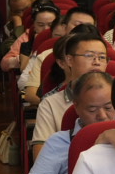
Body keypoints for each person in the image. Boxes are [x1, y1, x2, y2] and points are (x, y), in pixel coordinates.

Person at [23, 70, 114, 174]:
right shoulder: (61, 142)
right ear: (76, 107)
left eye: (108, 107)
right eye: (92, 110)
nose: (102, 116)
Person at [32, 29, 110, 161]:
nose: (97, 62)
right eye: (89, 56)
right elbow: (41, 157)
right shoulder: (50, 103)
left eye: (102, 57)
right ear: (69, 60)